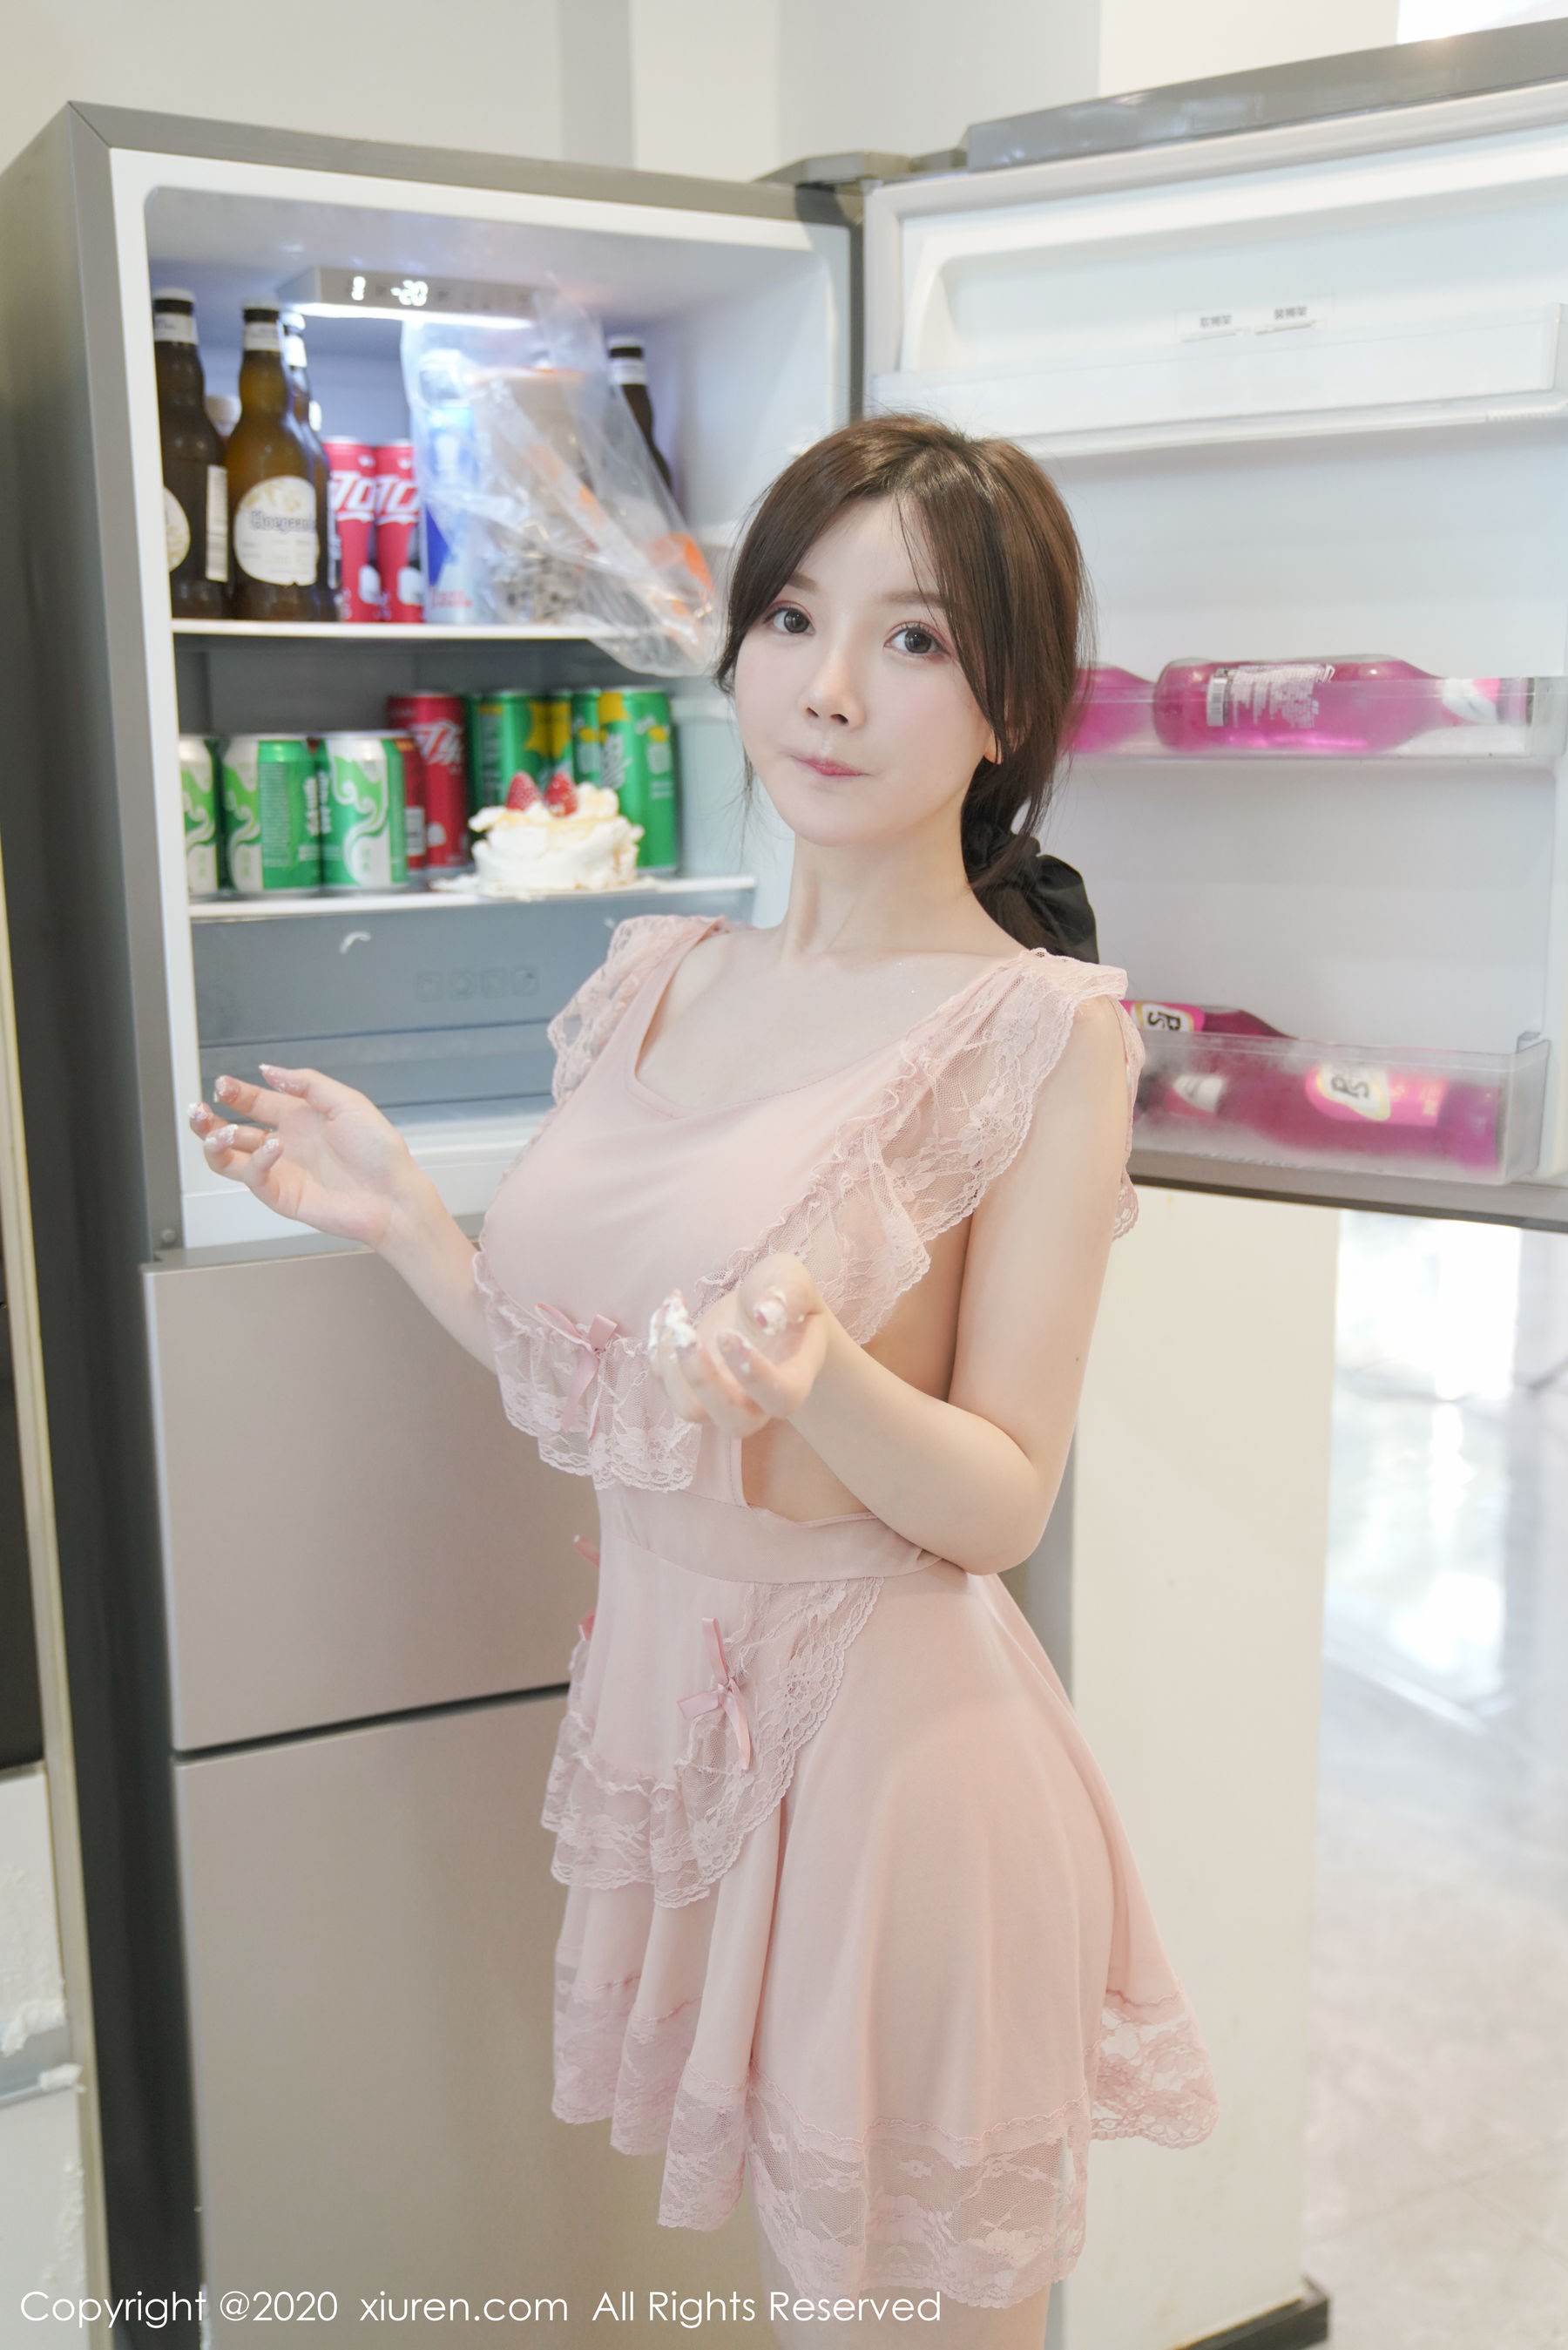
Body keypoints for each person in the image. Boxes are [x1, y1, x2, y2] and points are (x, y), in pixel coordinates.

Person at [189, 414, 1220, 2348]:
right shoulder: (661, 974)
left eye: (915, 640)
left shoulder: (1041, 1029)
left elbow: (1002, 1497)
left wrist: (824, 1375)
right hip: (686, 1739)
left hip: (897, 1781)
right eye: (794, 619)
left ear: (1010, 707)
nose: (830, 688)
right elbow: (614, 1394)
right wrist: (408, 1217)